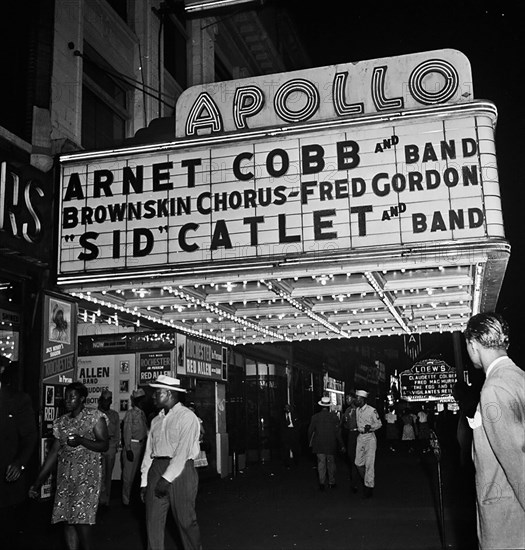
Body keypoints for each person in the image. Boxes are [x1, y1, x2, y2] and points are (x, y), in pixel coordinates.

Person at [464, 312, 525, 550]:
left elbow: (516, 459)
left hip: (508, 520)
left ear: (473, 344)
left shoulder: (494, 388)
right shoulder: (519, 377)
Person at [29, 381, 109, 550]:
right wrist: (37, 483)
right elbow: (52, 455)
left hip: (87, 476)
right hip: (65, 476)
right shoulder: (61, 423)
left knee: (81, 519)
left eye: (72, 397)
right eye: (66, 397)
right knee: (67, 519)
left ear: (82, 399)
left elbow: (104, 445)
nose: (67, 400)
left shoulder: (95, 417)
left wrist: (81, 440)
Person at [140, 374, 202, 550]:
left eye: (157, 392)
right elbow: (148, 453)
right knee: (152, 523)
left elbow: (182, 453)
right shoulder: (155, 420)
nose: (153, 396)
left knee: (186, 521)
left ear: (169, 393)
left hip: (182, 471)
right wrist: (145, 481)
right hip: (156, 468)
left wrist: (166, 479)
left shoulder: (187, 417)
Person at [0, 358, 38, 550]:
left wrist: (19, 463)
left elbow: (30, 437)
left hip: (6, 483)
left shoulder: (17, 399)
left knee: (7, 535)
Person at [308, 396, 345, 490]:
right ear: (329, 406)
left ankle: (321, 483)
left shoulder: (315, 417)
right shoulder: (334, 417)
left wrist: (310, 443)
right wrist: (341, 444)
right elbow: (337, 433)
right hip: (331, 444)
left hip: (319, 444)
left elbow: (310, 431)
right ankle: (331, 482)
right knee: (331, 463)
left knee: (321, 464)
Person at [122, 388, 148, 506]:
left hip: (141, 446)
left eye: (142, 400)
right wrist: (128, 449)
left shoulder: (142, 414)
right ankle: (126, 501)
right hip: (132, 446)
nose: (141, 402)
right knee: (128, 476)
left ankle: (134, 499)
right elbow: (127, 432)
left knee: (138, 475)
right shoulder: (130, 414)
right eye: (139, 400)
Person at [354, 389, 382, 498]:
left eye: (357, 398)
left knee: (369, 464)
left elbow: (379, 424)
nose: (356, 399)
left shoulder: (372, 410)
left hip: (370, 438)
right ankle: (367, 480)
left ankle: (369, 487)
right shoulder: (357, 410)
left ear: (363, 399)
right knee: (358, 463)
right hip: (360, 437)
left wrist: (371, 427)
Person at [97, 389, 120, 507]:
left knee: (108, 475)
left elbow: (117, 433)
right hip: (99, 445)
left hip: (110, 445)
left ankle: (106, 500)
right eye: (104, 400)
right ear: (101, 400)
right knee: (99, 474)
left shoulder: (114, 415)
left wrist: (115, 445)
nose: (106, 402)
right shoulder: (96, 414)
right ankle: (99, 499)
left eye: (108, 400)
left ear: (111, 401)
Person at [341, 393, 359, 492]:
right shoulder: (347, 410)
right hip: (351, 435)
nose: (346, 400)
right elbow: (345, 424)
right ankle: (354, 482)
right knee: (351, 458)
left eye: (348, 398)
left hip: (359, 434)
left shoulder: (359, 410)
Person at [279, 403, 301, 468]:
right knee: (286, 449)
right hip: (286, 433)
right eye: (286, 407)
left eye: (288, 407)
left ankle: (296, 462)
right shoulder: (282, 416)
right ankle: (287, 463)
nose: (287, 409)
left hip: (293, 433)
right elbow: (280, 425)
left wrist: (296, 430)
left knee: (295, 448)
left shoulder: (295, 415)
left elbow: (299, 423)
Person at [188, 402, 208, 469]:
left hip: (195, 442)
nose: (190, 411)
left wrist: (199, 437)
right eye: (189, 409)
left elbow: (203, 431)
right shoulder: (185, 419)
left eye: (192, 409)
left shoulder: (197, 419)